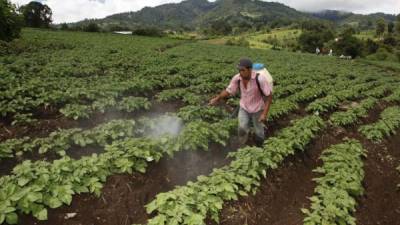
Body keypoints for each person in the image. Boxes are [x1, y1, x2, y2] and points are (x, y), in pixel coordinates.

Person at [209, 58, 273, 146]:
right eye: (239, 70)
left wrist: (264, 114)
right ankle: (242, 146)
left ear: (250, 69)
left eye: (243, 70)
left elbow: (269, 96)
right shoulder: (237, 78)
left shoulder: (260, 79)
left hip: (257, 109)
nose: (241, 72)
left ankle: (260, 146)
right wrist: (217, 99)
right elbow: (228, 91)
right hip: (244, 107)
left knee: (258, 131)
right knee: (242, 128)